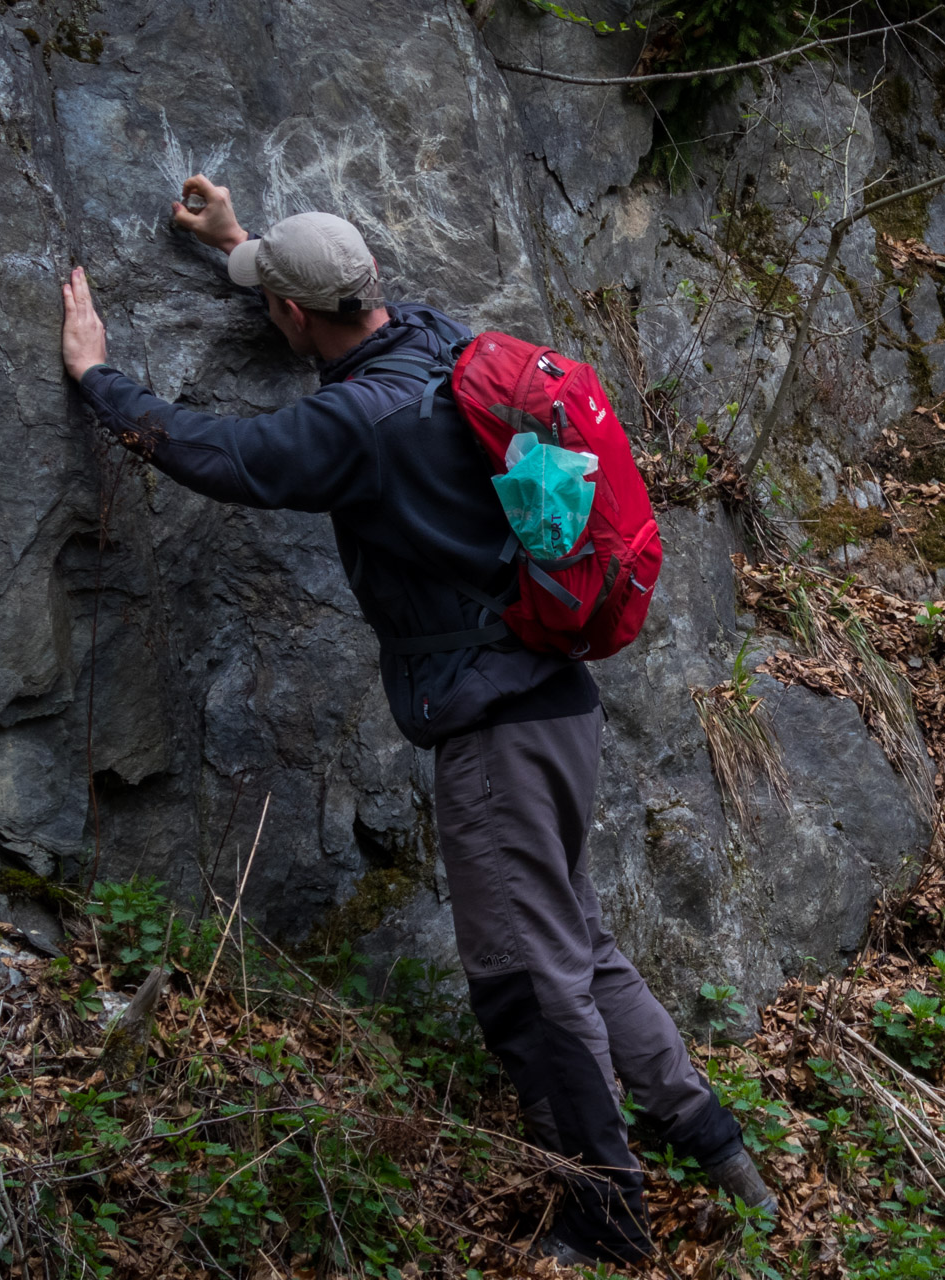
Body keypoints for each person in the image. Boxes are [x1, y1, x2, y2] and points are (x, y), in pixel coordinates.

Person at [58, 175, 776, 1266]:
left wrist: (99, 379)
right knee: (578, 941)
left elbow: (226, 454)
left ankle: (605, 1211)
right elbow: (315, 302)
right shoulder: (440, 343)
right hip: (556, 697)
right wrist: (240, 245)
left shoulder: (357, 423)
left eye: (273, 298)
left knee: (527, 979)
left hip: (492, 729)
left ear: (297, 318)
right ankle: (712, 1140)